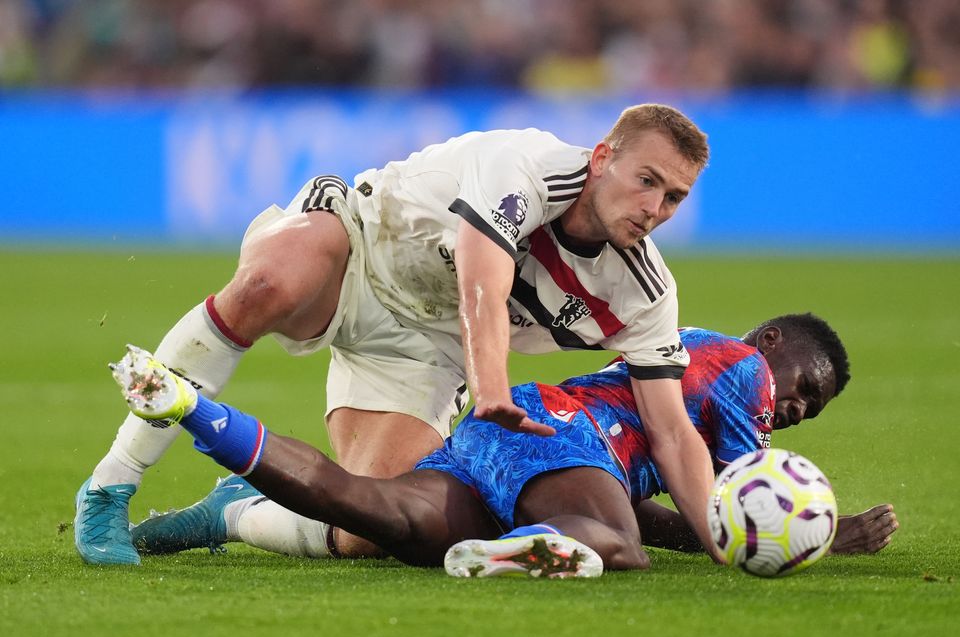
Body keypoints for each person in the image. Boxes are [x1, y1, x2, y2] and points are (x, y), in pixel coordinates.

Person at [76, 103, 721, 566]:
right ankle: (110, 488)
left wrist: (722, 540)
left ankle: (236, 514)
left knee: (370, 527)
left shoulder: (645, 293)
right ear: (603, 157)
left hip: (428, 348)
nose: (655, 209)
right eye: (647, 181)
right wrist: (493, 388)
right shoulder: (525, 166)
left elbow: (670, 432)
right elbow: (481, 284)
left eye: (674, 199)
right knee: (267, 285)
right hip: (359, 246)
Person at [109, 313, 898, 576]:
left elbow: (683, 519)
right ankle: (518, 550)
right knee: (616, 545)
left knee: (371, 515)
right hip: (557, 431)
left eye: (810, 408)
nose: (795, 404)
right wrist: (820, 538)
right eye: (807, 385)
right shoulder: (743, 369)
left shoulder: (689, 364)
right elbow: (735, 510)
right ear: (773, 343)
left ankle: (191, 410)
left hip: (509, 436)